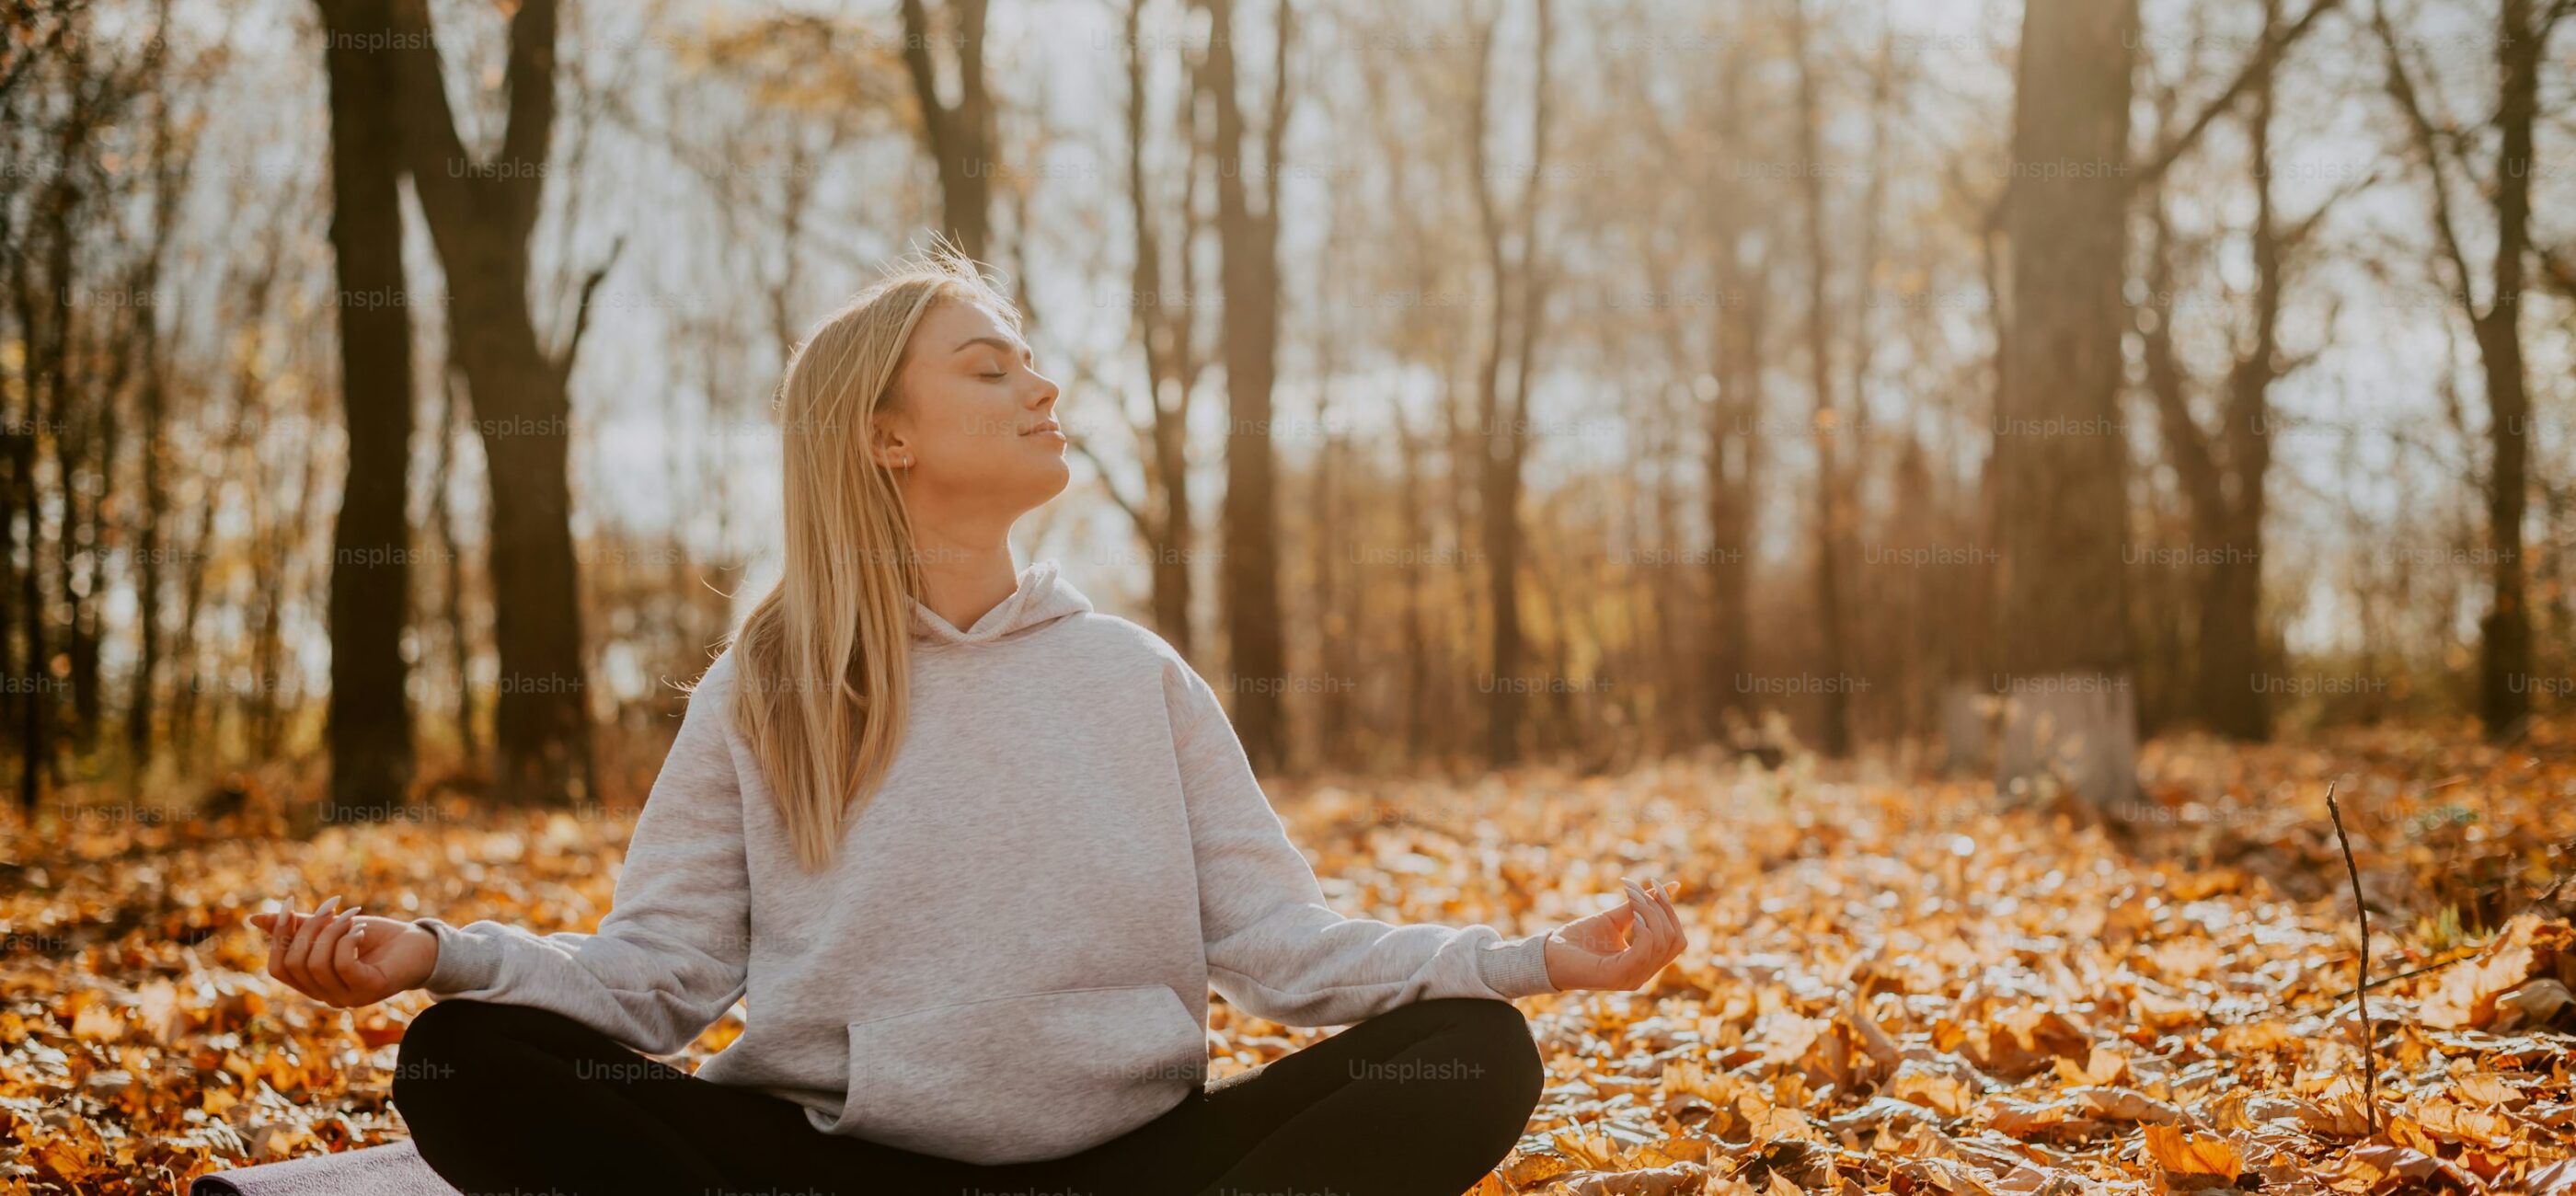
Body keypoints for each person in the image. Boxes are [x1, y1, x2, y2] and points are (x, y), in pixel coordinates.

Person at [254, 250, 1689, 1196]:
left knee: (1482, 1052)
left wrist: (1530, 958)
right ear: (886, 437)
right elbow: (661, 977)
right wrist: (438, 958)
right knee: (463, 1060)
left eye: (1029, 363)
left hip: (1131, 1170)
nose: (1042, 386)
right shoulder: (771, 690)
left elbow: (1285, 952)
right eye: (991, 367)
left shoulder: (1134, 678)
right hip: (839, 1170)